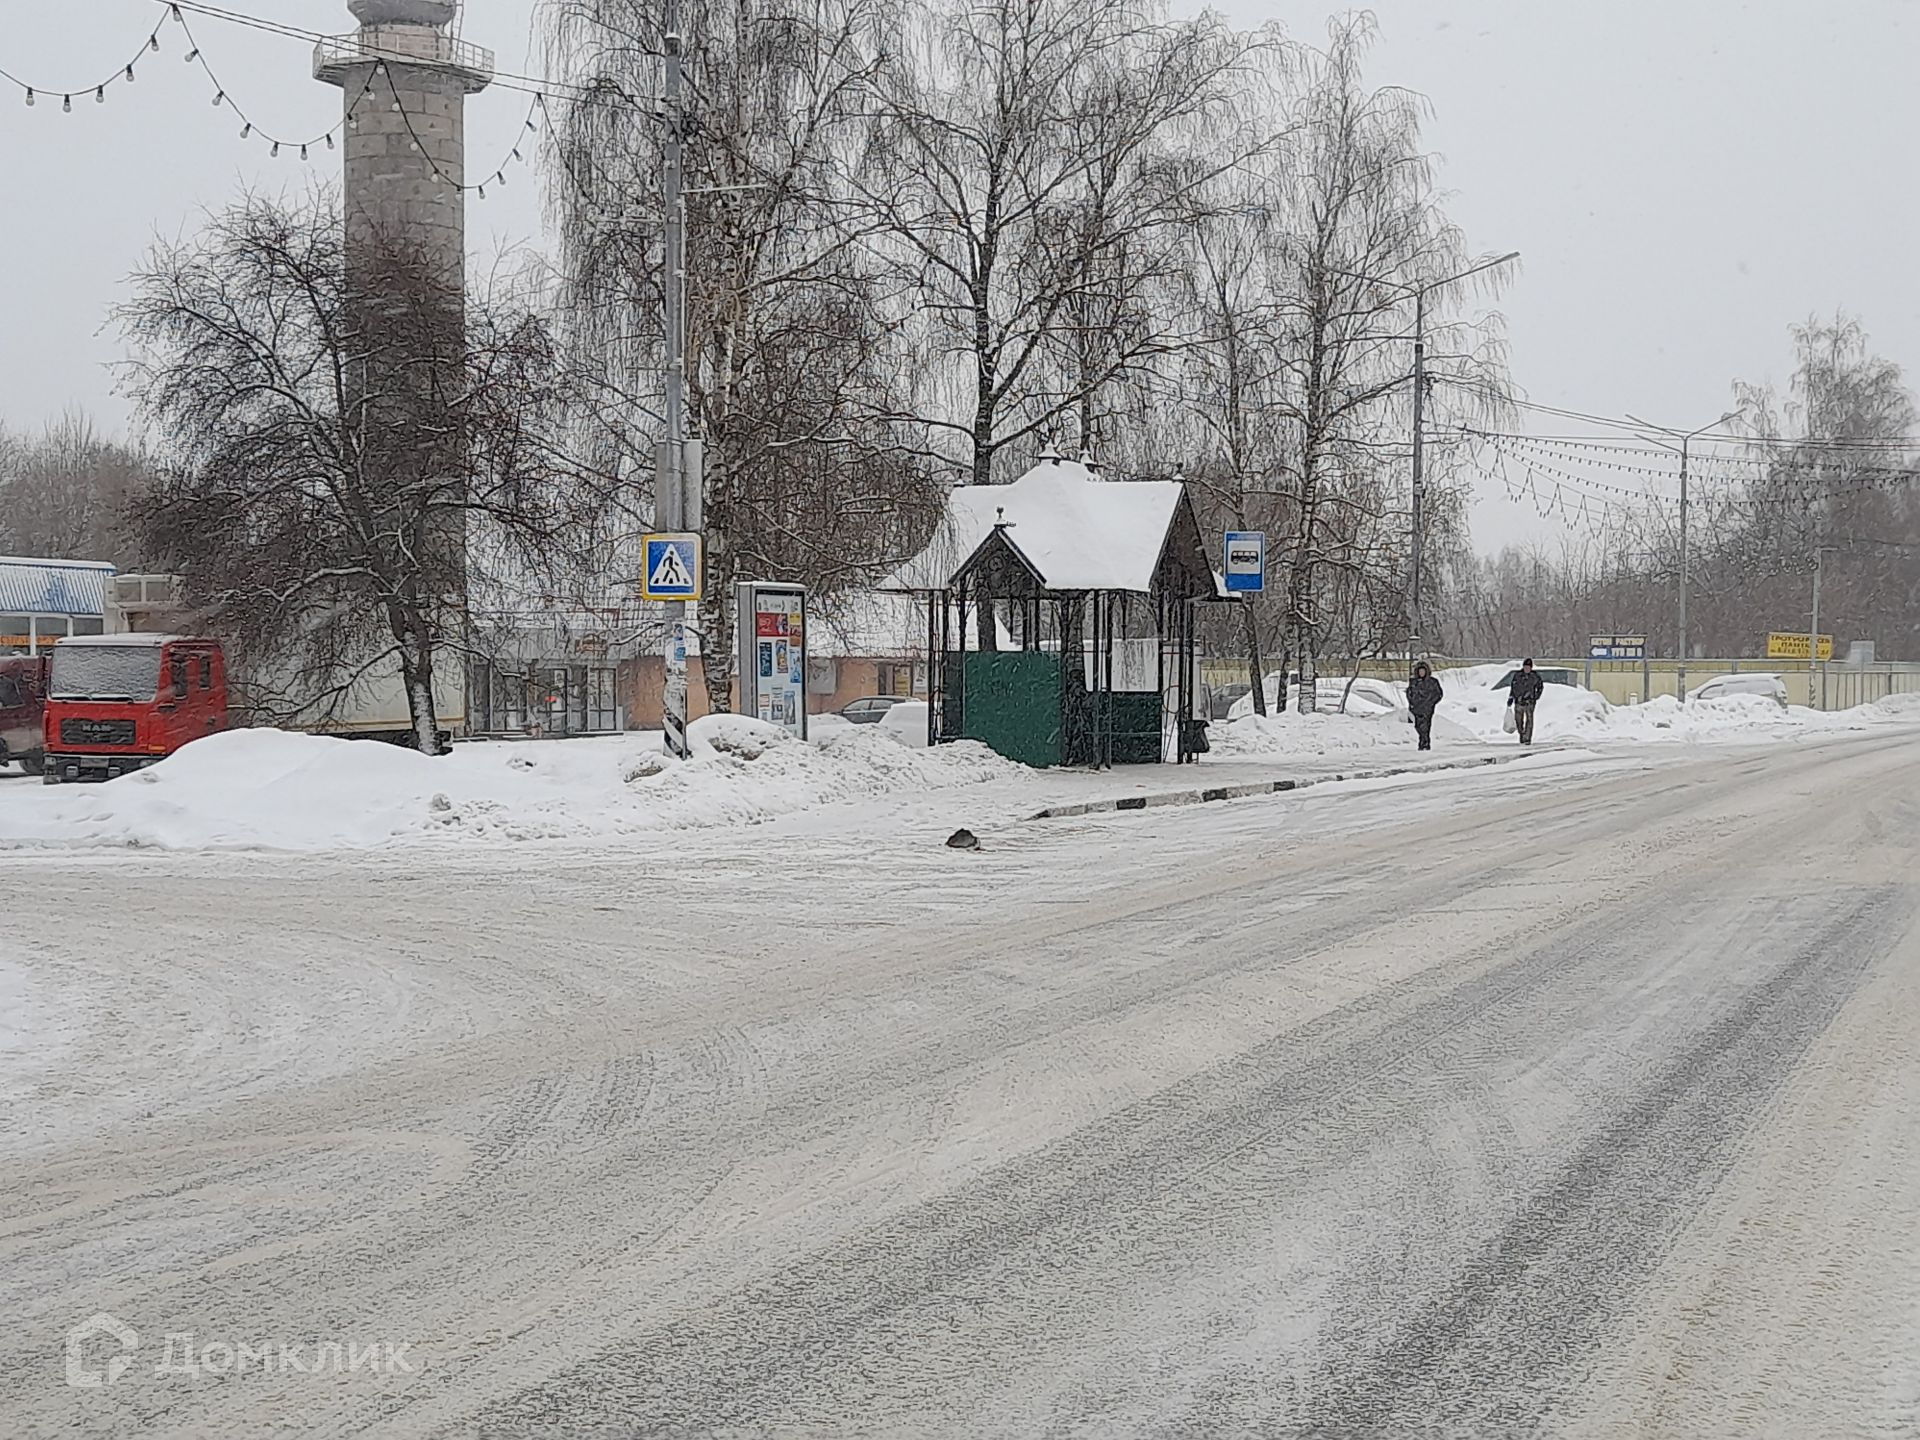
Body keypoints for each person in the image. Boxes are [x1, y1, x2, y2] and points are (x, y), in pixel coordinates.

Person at [1508, 657, 1545, 745]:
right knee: (1518, 720)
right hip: (1519, 701)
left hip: (1530, 701)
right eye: (1525, 667)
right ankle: (1521, 733)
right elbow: (1513, 687)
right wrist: (1511, 697)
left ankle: (1527, 737)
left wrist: (1536, 696)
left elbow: (1540, 687)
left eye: (1528, 667)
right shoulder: (1518, 676)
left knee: (1529, 720)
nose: (1526, 669)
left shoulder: (1535, 677)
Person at [1407, 662, 1443, 750]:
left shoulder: (1432, 682)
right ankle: (1423, 742)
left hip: (1427, 709)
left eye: (1423, 671)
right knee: (1418, 726)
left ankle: (1424, 743)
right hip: (1416, 708)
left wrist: (1431, 703)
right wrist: (1412, 703)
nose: (1421, 673)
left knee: (1425, 726)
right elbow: (1409, 693)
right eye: (1420, 671)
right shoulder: (1414, 682)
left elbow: (1438, 694)